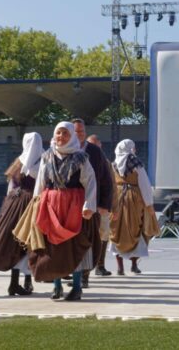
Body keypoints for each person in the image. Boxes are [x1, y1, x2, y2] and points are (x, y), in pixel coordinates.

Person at [28, 121, 99, 301]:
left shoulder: (81, 158)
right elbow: (41, 182)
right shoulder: (47, 156)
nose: (61, 137)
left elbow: (90, 182)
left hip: (74, 206)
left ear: (72, 136)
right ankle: (57, 285)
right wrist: (36, 202)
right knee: (53, 246)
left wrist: (89, 206)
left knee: (74, 245)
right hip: (51, 205)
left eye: (65, 133)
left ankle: (76, 287)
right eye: (58, 133)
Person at [0, 132, 43, 296]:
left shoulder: (18, 162)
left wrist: (6, 209)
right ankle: (24, 281)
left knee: (17, 242)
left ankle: (17, 282)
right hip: (32, 203)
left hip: (13, 203)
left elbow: (11, 188)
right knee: (29, 242)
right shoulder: (42, 161)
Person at [109, 139, 159, 275]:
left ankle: (120, 267)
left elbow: (111, 184)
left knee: (117, 231)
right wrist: (149, 203)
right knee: (136, 228)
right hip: (134, 198)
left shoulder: (113, 164)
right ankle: (133, 264)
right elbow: (144, 184)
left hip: (118, 197)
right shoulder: (136, 164)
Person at [72, 119, 113, 283]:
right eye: (76, 131)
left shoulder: (95, 152)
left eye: (81, 131)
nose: (79, 134)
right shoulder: (64, 150)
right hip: (69, 204)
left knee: (88, 239)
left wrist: (104, 204)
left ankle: (84, 276)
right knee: (72, 241)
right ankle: (73, 273)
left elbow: (106, 179)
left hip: (91, 203)